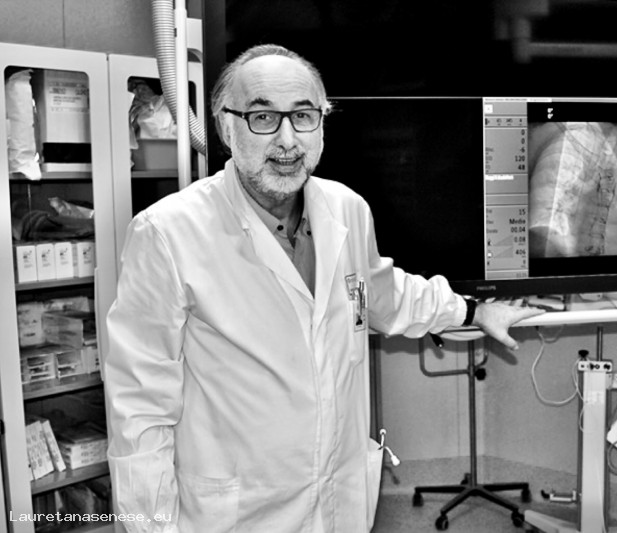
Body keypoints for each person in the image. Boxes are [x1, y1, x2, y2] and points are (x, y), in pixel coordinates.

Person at [105, 43, 543, 533]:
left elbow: (385, 295)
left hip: (338, 503)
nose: (288, 140)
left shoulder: (346, 208)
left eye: (304, 116)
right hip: (239, 514)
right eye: (263, 117)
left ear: (322, 123)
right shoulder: (166, 233)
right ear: (227, 129)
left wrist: (473, 311)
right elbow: (139, 409)